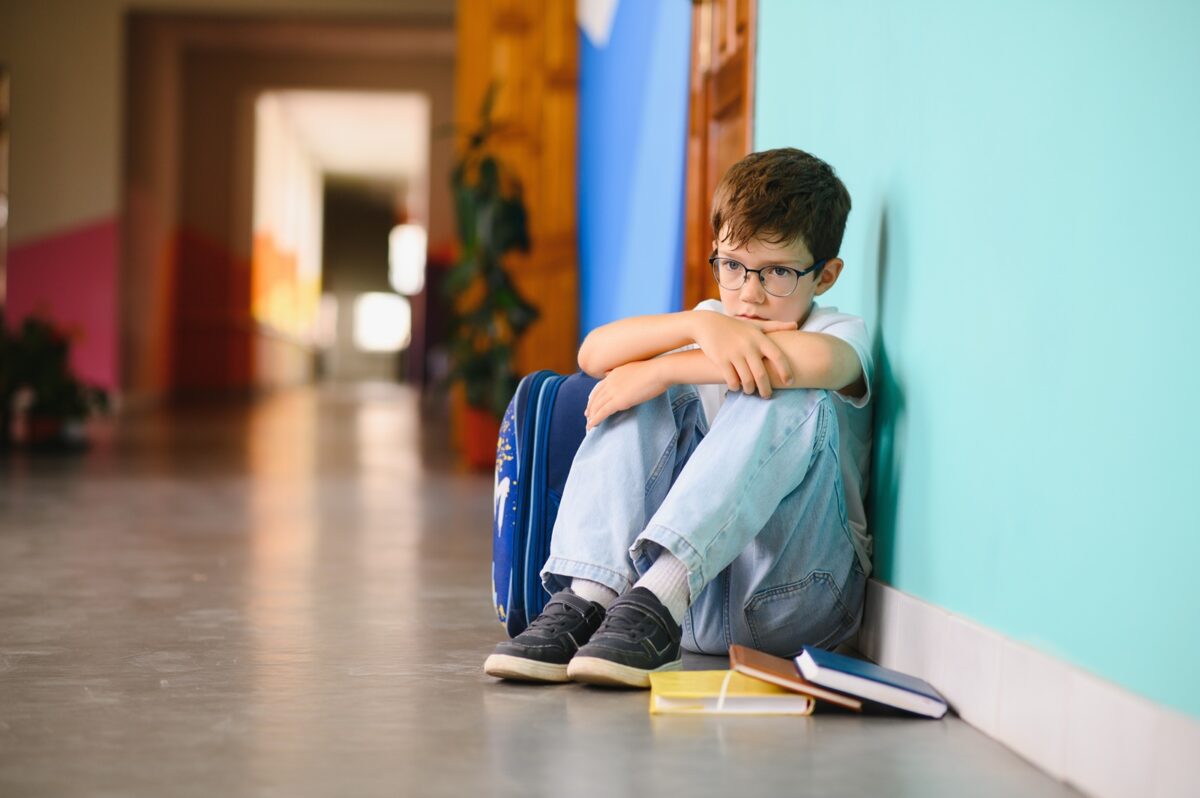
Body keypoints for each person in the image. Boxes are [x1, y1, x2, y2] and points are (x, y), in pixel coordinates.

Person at [484, 148, 873, 688]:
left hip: (799, 601)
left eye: (778, 272)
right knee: (632, 382)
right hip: (686, 615)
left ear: (825, 275)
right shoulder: (714, 319)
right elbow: (593, 354)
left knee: (783, 383)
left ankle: (661, 587)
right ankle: (591, 597)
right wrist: (693, 330)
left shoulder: (837, 330)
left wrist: (666, 370)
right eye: (733, 267)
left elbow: (821, 365)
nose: (748, 294)